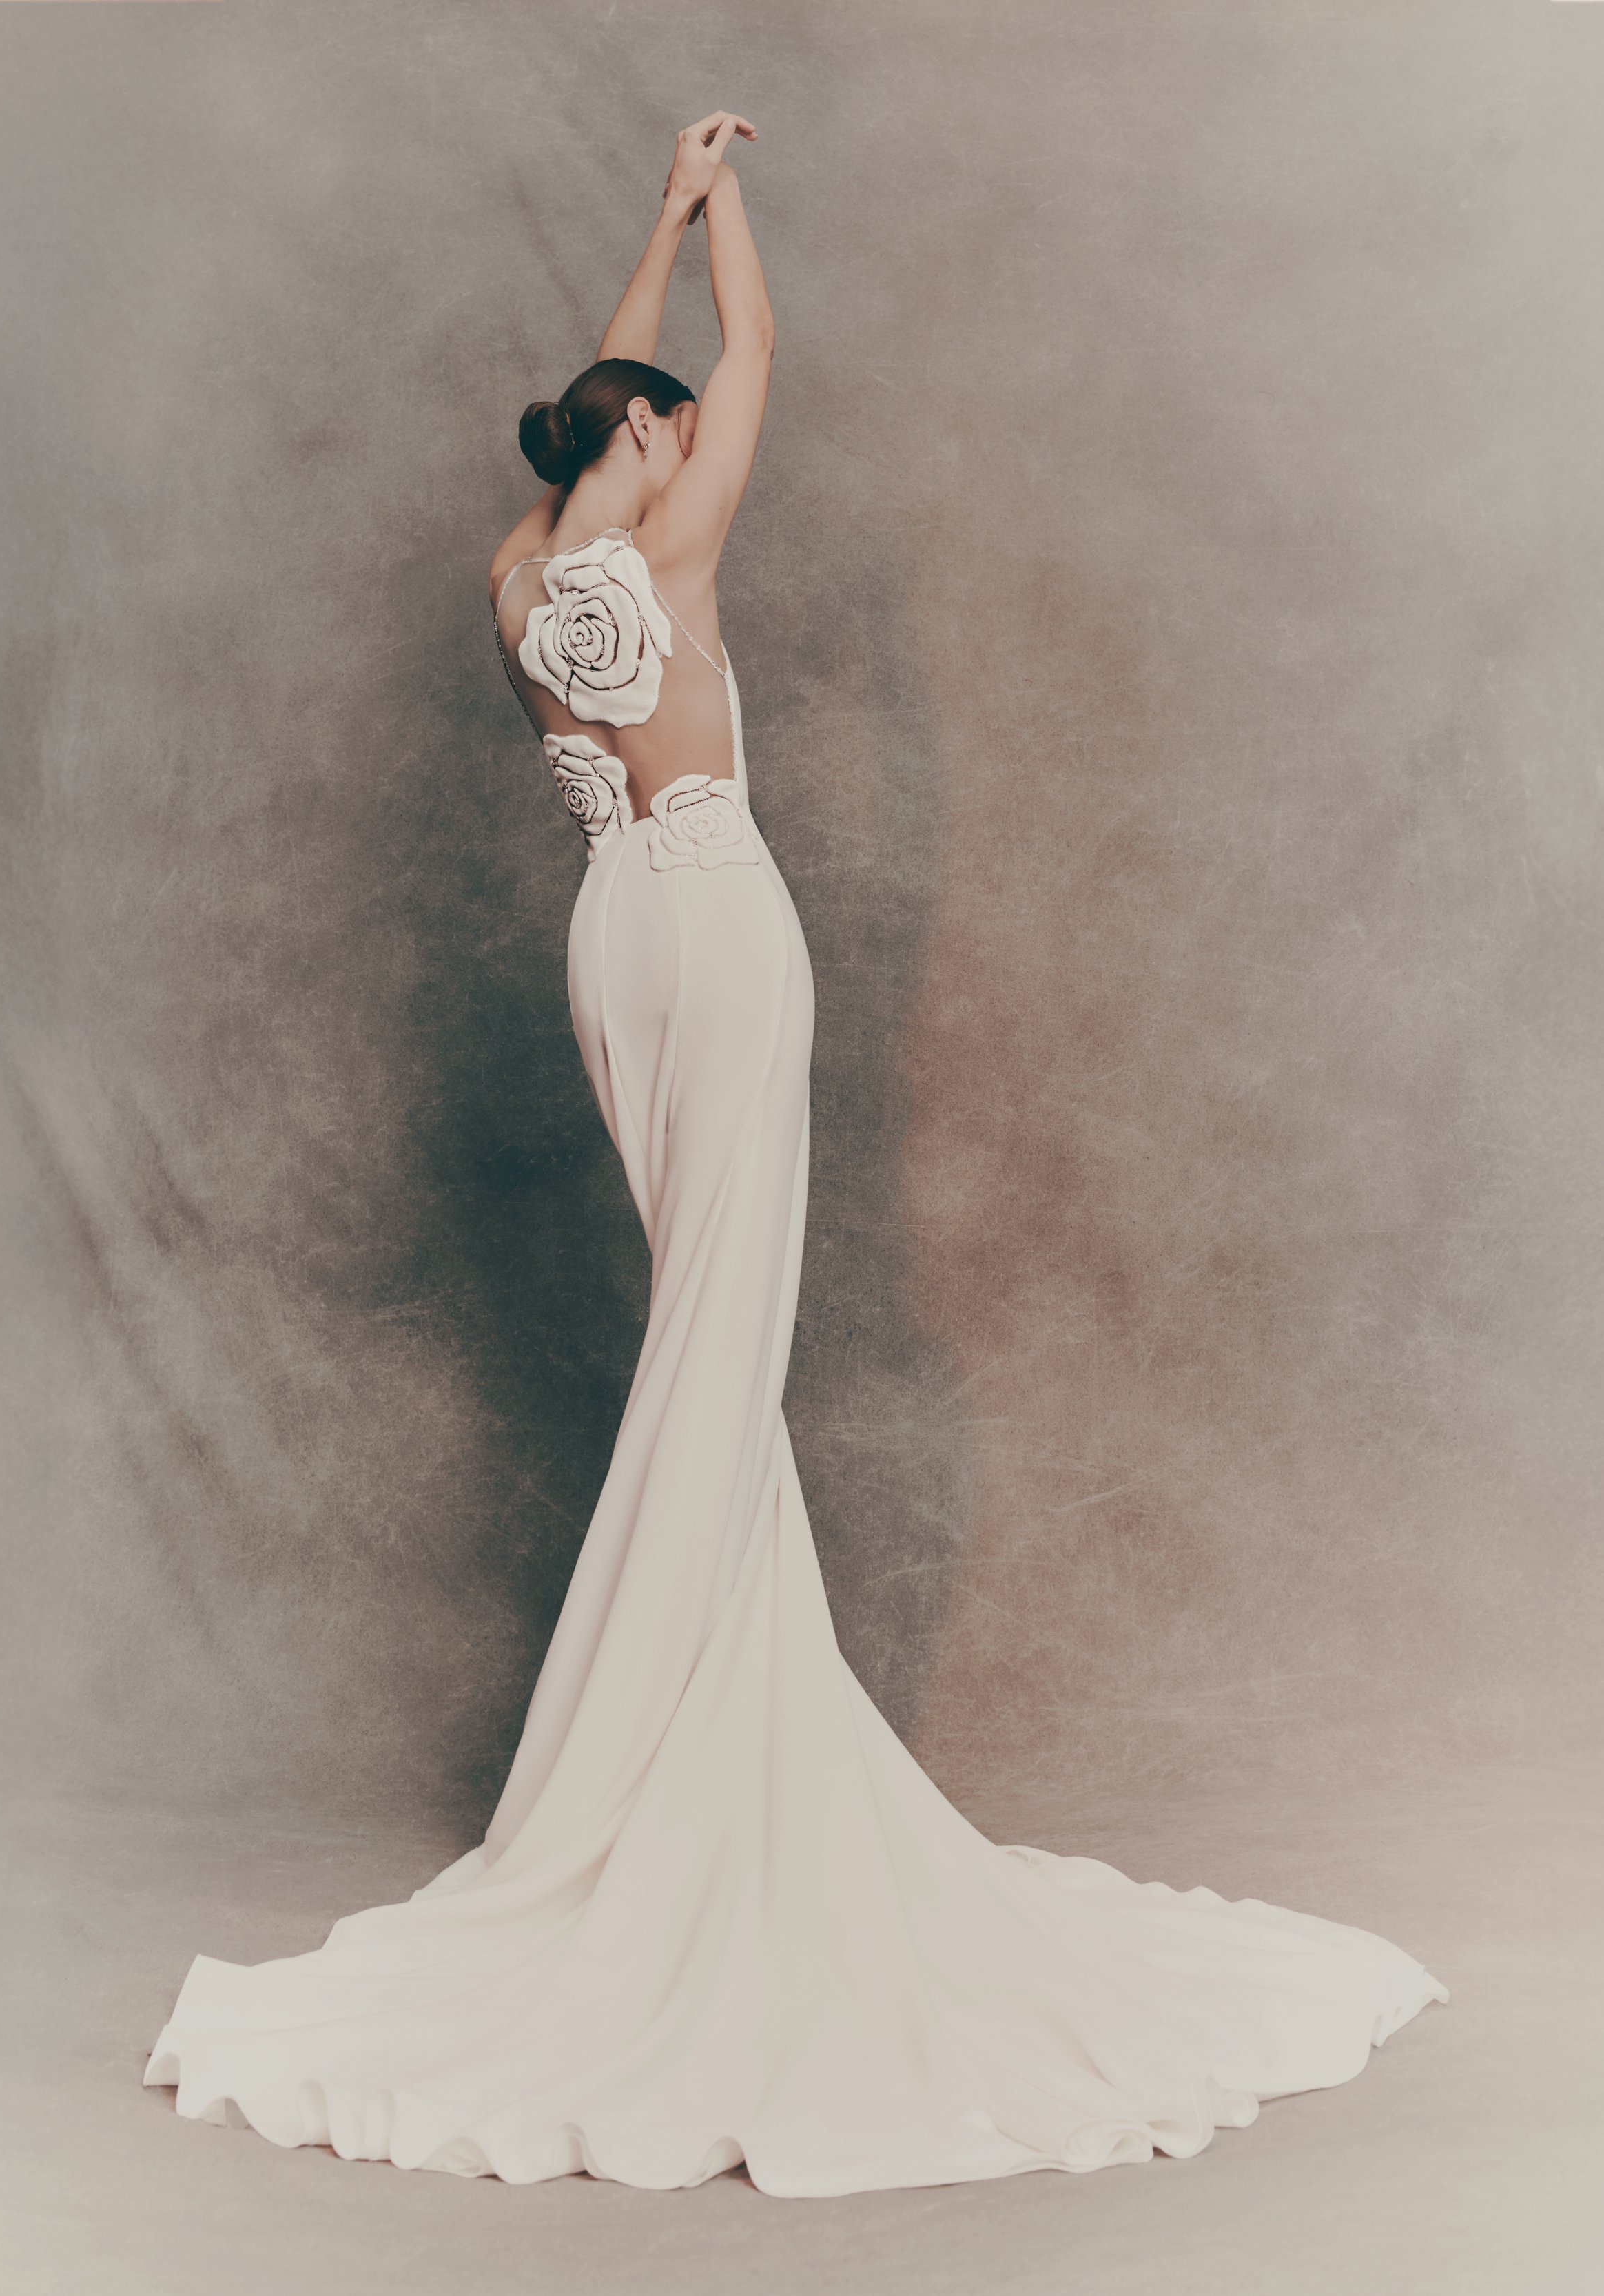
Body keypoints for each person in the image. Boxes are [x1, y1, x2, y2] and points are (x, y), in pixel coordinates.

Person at [143, 113, 1448, 2199]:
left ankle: (667, 1730)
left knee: (696, 1333)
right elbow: (753, 357)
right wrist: (717, 207)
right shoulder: (671, 554)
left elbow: (609, 400)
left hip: (608, 948)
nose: (678, 440)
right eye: (660, 433)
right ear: (648, 452)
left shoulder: (521, 578)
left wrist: (630, 251)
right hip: (726, 935)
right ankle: (699, 1760)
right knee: (721, 1346)